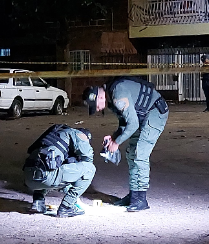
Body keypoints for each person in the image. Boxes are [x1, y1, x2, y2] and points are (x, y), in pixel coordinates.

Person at [83, 77, 168, 212]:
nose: (98, 110)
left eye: (96, 106)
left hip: (154, 113)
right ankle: (134, 195)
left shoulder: (117, 94)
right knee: (131, 155)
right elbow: (125, 122)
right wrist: (114, 137)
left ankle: (141, 199)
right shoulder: (111, 98)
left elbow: (132, 124)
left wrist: (116, 143)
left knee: (140, 155)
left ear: (99, 97)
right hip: (142, 115)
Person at [23, 124, 96, 217]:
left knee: (46, 167)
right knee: (90, 169)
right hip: (46, 177)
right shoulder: (79, 134)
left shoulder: (57, 135)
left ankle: (38, 203)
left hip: (28, 178)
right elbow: (88, 159)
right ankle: (67, 207)